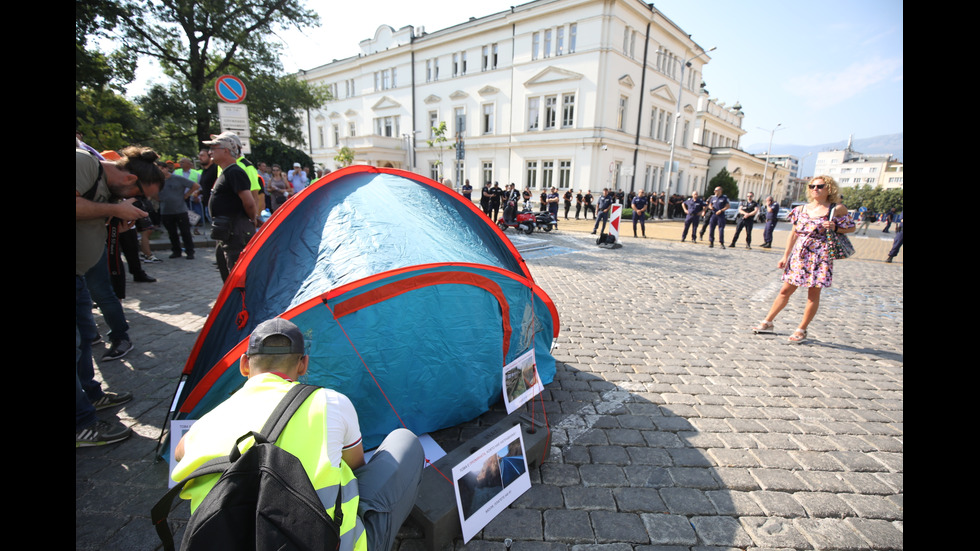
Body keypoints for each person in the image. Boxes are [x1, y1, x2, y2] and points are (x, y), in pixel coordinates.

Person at [172, 317, 424, 551]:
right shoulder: (330, 402)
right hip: (327, 542)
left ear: (244, 364)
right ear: (303, 364)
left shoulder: (207, 423)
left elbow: (179, 452)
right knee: (405, 441)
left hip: (230, 539)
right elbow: (358, 469)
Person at [77, 144, 164, 447]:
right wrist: (115, 209)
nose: (135, 201)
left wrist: (112, 219)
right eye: (138, 197)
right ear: (130, 181)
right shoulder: (83, 164)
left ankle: (91, 395)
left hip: (78, 275)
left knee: (86, 336)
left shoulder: (106, 188)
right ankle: (81, 426)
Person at [752, 176, 855, 343]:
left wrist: (836, 227)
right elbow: (793, 234)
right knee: (785, 290)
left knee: (813, 294)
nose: (815, 188)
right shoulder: (801, 209)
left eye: (820, 186)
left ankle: (802, 329)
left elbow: (851, 227)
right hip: (800, 253)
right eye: (812, 186)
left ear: (829, 188)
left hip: (820, 255)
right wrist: (785, 256)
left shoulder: (837, 209)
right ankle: (768, 322)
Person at [205, 132, 259, 281]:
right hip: (229, 230)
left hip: (236, 230)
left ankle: (241, 302)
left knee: (237, 274)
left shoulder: (235, 171)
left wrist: (252, 218)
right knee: (226, 268)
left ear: (226, 150)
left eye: (214, 148)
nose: (210, 152)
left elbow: (249, 202)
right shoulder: (226, 171)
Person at [157, 161, 199, 259]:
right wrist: (157, 198)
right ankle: (176, 251)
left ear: (166, 168)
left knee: (185, 232)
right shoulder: (157, 181)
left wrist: (187, 195)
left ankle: (190, 251)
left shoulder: (177, 178)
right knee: (172, 233)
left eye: (161, 168)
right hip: (166, 211)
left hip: (180, 209)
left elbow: (195, 185)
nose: (160, 170)